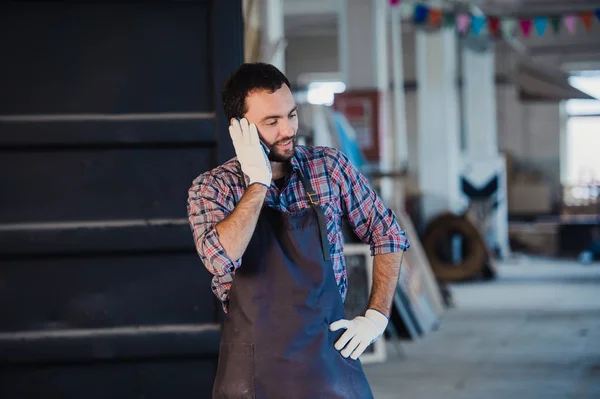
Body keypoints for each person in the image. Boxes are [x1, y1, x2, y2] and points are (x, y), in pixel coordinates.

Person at [187, 62, 410, 399]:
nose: (288, 130)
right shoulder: (212, 188)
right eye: (271, 122)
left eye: (291, 115)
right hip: (253, 374)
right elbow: (221, 257)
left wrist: (377, 315)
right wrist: (258, 184)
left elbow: (387, 232)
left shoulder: (328, 167)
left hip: (327, 360)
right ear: (240, 129)